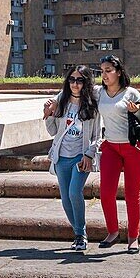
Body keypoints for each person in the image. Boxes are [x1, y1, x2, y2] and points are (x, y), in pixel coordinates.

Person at [43, 66, 102, 252]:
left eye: (79, 80)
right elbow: (53, 131)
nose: (75, 84)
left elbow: (98, 134)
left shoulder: (92, 103)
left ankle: (81, 234)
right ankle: (78, 233)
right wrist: (48, 114)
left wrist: (89, 154)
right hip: (61, 156)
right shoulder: (61, 100)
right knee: (65, 198)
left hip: (80, 156)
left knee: (74, 192)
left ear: (86, 83)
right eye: (71, 80)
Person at [97, 55, 140, 254]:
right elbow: (73, 92)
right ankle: (113, 231)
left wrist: (136, 110)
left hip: (133, 147)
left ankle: (133, 237)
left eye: (108, 70)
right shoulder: (98, 92)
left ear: (118, 71)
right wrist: (55, 103)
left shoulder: (130, 92)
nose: (104, 75)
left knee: (132, 193)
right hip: (110, 147)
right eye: (101, 71)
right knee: (106, 193)